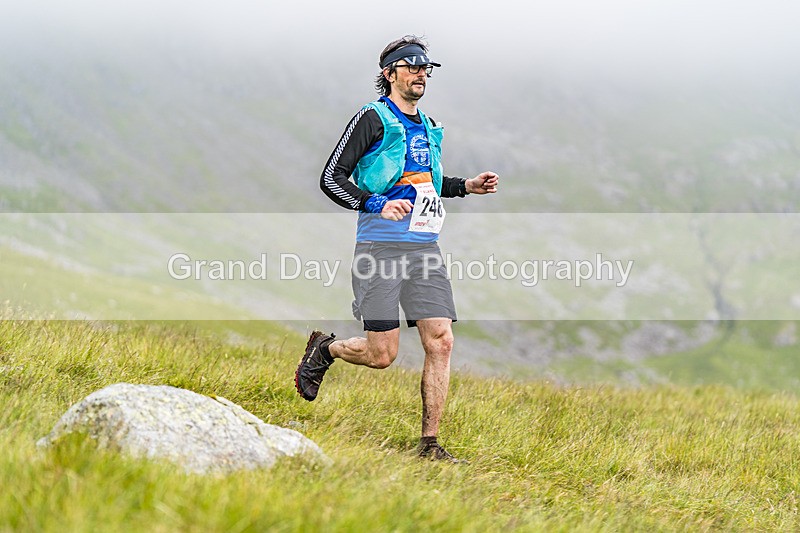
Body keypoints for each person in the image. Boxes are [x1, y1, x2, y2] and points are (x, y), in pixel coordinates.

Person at [295, 35, 499, 463]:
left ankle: (429, 445)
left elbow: (425, 182)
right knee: (381, 354)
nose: (421, 73)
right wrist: (377, 203)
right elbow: (332, 178)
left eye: (426, 68)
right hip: (379, 249)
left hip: (424, 249)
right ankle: (325, 349)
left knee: (441, 341)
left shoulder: (428, 125)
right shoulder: (372, 118)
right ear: (389, 73)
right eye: (412, 66)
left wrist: (466, 187)